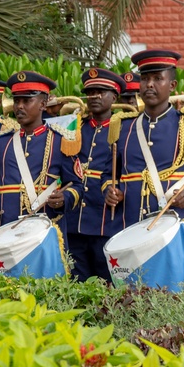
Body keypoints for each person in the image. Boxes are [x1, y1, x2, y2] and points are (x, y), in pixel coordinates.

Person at [105, 50, 184, 226]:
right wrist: (110, 190)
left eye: (157, 78)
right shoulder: (123, 126)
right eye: (144, 79)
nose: (149, 84)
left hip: (176, 226)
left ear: (172, 85)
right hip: (131, 225)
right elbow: (109, 173)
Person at [0, 71, 74, 227]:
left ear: (43, 104)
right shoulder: (1, 142)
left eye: (27, 101)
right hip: (7, 229)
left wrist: (64, 198)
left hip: (46, 230)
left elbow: (76, 185)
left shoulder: (61, 141)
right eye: (16, 101)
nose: (19, 106)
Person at [63, 68, 124, 282]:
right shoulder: (75, 128)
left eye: (101, 92)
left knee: (107, 284)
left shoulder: (123, 128)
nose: (94, 97)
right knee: (77, 283)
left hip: (105, 220)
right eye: (90, 92)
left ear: (114, 96)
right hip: (74, 220)